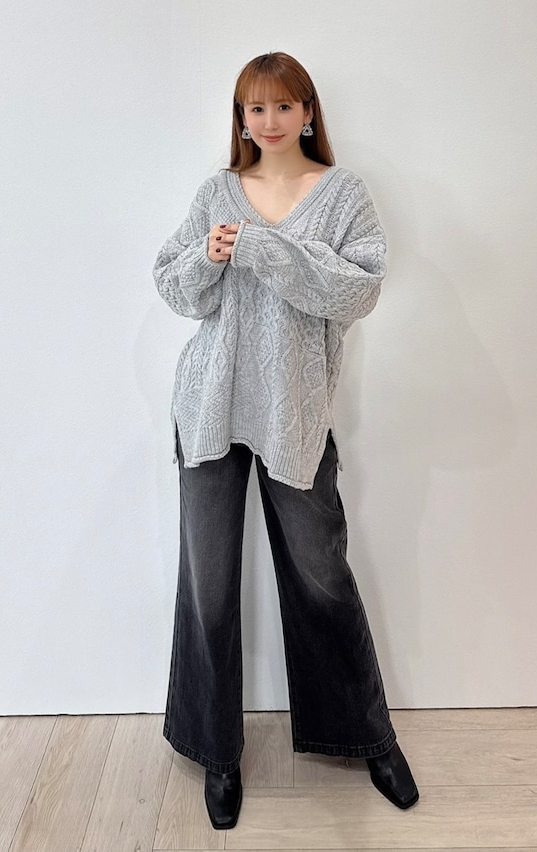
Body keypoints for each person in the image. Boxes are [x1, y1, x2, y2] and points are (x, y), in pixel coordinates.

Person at [152, 51, 419, 831]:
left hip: (294, 412)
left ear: (307, 112)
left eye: (281, 106)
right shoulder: (215, 192)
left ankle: (367, 735)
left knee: (321, 573)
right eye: (254, 108)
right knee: (208, 583)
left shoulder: (343, 194)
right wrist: (207, 256)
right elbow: (172, 286)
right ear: (241, 119)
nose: (267, 121)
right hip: (210, 407)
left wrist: (266, 248)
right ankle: (217, 752)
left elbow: (358, 291)